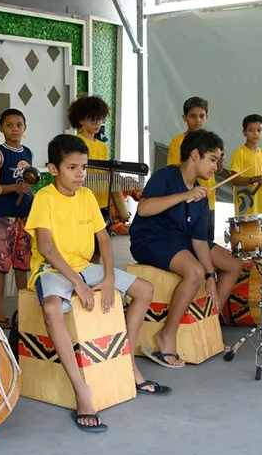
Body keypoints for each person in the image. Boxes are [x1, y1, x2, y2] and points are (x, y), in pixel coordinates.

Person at [25, 134, 168, 433]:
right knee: (52, 309)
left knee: (144, 290)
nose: (80, 174)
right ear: (53, 169)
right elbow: (47, 248)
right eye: (72, 168)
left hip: (84, 267)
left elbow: (103, 238)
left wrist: (109, 276)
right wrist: (78, 283)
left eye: (84, 167)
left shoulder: (88, 197)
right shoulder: (44, 198)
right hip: (51, 269)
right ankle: (82, 390)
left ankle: (126, 364)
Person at [130, 129, 243, 368]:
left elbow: (199, 241)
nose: (216, 167)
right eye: (212, 159)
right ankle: (166, 335)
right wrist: (185, 195)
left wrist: (212, 274)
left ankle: (208, 326)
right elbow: (144, 209)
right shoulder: (166, 176)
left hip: (181, 240)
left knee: (234, 264)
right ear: (194, 155)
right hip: (151, 239)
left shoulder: (202, 193)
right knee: (194, 272)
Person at [0, 109, 35, 327]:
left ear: (25, 127)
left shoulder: (28, 153)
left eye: (19, 125)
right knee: (2, 266)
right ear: (1, 128)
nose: (15, 129)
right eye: (9, 125)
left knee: (22, 264)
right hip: (3, 217)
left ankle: (24, 311)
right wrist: (15, 188)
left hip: (25, 215)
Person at [166, 96, 217, 237]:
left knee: (207, 242)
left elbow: (215, 169)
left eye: (201, 116)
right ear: (184, 117)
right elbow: (175, 171)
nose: (198, 120)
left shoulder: (212, 142)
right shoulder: (177, 142)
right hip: (186, 200)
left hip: (208, 199)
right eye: (193, 116)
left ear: (207, 117)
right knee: (187, 242)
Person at [228, 114, 262, 216]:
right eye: (251, 130)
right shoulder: (239, 153)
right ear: (244, 132)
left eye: (259, 130)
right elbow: (235, 180)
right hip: (245, 206)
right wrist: (253, 179)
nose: (255, 133)